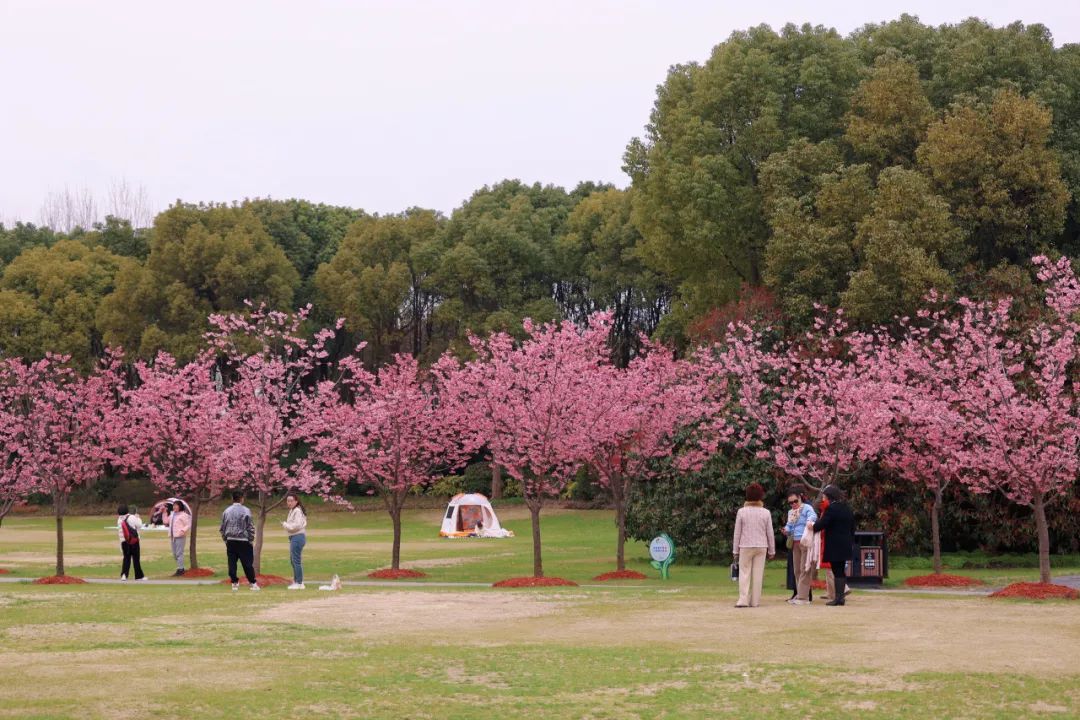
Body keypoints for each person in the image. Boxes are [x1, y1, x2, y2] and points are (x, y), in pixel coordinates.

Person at [732, 482, 775, 608]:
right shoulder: (766, 512)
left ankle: (743, 600)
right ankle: (755, 601)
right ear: (760, 496)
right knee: (758, 574)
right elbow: (770, 533)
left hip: (745, 545)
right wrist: (772, 551)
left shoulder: (741, 511)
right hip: (762, 546)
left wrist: (735, 550)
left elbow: (737, 533)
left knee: (744, 573)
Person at [810, 485, 855, 606]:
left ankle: (838, 598)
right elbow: (852, 527)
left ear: (829, 496)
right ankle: (840, 598)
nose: (823, 499)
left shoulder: (831, 509)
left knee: (836, 570)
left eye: (824, 496)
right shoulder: (847, 508)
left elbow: (822, 524)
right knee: (841, 571)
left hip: (834, 544)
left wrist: (812, 527)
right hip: (845, 543)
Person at [781, 486, 817, 605]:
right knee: (797, 570)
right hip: (795, 543)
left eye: (795, 501)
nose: (793, 504)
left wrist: (809, 522)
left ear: (800, 498)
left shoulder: (807, 508)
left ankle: (803, 597)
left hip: (805, 542)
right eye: (790, 503)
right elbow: (789, 525)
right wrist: (786, 530)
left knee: (804, 569)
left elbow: (813, 516)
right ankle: (800, 595)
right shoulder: (791, 512)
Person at [220, 491, 259, 591]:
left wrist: (225, 539)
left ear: (232, 498)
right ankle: (252, 583)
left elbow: (222, 527)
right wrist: (250, 539)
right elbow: (250, 527)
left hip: (231, 540)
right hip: (243, 540)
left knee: (232, 562)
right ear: (242, 498)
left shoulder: (226, 511)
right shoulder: (246, 510)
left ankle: (234, 582)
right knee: (247, 563)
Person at [281, 492, 307, 590]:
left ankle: (299, 582)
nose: (289, 503)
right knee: (293, 560)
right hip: (294, 537)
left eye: (291, 501)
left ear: (296, 501)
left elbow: (297, 525)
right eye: (288, 501)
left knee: (296, 560)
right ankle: (297, 581)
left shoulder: (297, 511)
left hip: (298, 537)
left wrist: (285, 525)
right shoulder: (292, 511)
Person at [117, 504, 146, 581]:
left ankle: (124, 575)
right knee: (136, 559)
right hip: (133, 541)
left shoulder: (119, 519)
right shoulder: (131, 517)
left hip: (124, 542)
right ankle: (139, 576)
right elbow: (139, 525)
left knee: (126, 559)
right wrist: (138, 518)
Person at [168, 501, 191, 576]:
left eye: (176, 505)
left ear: (180, 506)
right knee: (175, 554)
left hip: (180, 536)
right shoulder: (172, 514)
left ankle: (181, 569)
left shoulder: (184, 515)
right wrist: (164, 513)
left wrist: (183, 530)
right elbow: (165, 521)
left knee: (179, 553)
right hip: (172, 536)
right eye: (173, 505)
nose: (174, 507)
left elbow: (188, 524)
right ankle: (180, 568)